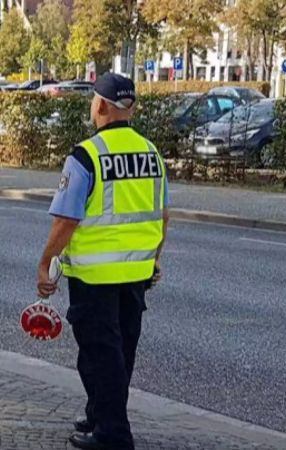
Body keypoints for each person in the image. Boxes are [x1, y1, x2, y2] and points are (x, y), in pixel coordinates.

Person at [36, 73, 169, 450]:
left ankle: (113, 434)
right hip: (136, 274)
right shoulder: (151, 153)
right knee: (120, 352)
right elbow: (163, 215)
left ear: (101, 106)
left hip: (95, 276)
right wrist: (155, 260)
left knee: (99, 356)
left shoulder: (86, 155)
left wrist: (45, 262)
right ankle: (100, 414)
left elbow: (67, 220)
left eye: (94, 102)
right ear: (132, 108)